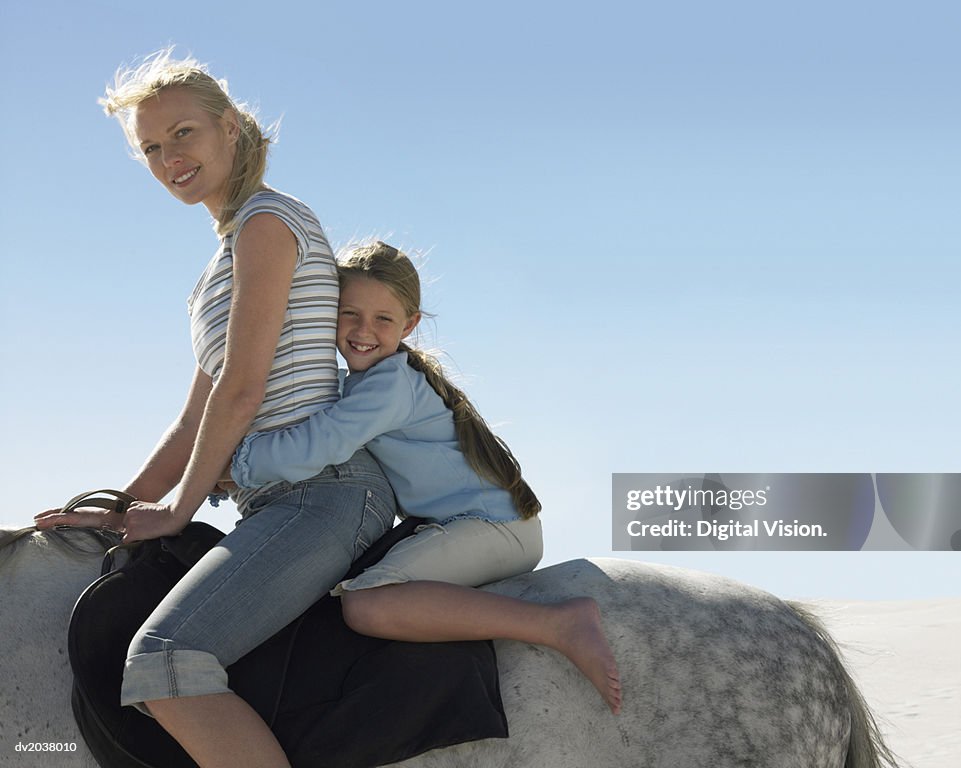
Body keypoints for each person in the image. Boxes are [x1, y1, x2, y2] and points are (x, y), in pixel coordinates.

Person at [35, 51, 396, 768]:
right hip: (275, 504)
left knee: (165, 661)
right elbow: (193, 417)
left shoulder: (269, 221)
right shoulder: (216, 268)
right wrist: (123, 503)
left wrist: (177, 510)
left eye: (183, 134)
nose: (169, 158)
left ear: (229, 128)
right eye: (150, 149)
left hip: (326, 495)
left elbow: (242, 388)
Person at [231, 241, 623, 714]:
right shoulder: (373, 382)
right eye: (349, 313)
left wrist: (235, 465)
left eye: (383, 319)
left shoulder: (387, 385)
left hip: (490, 529)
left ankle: (557, 623)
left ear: (410, 324)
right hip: (492, 525)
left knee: (366, 605)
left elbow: (320, 444)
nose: (362, 331)